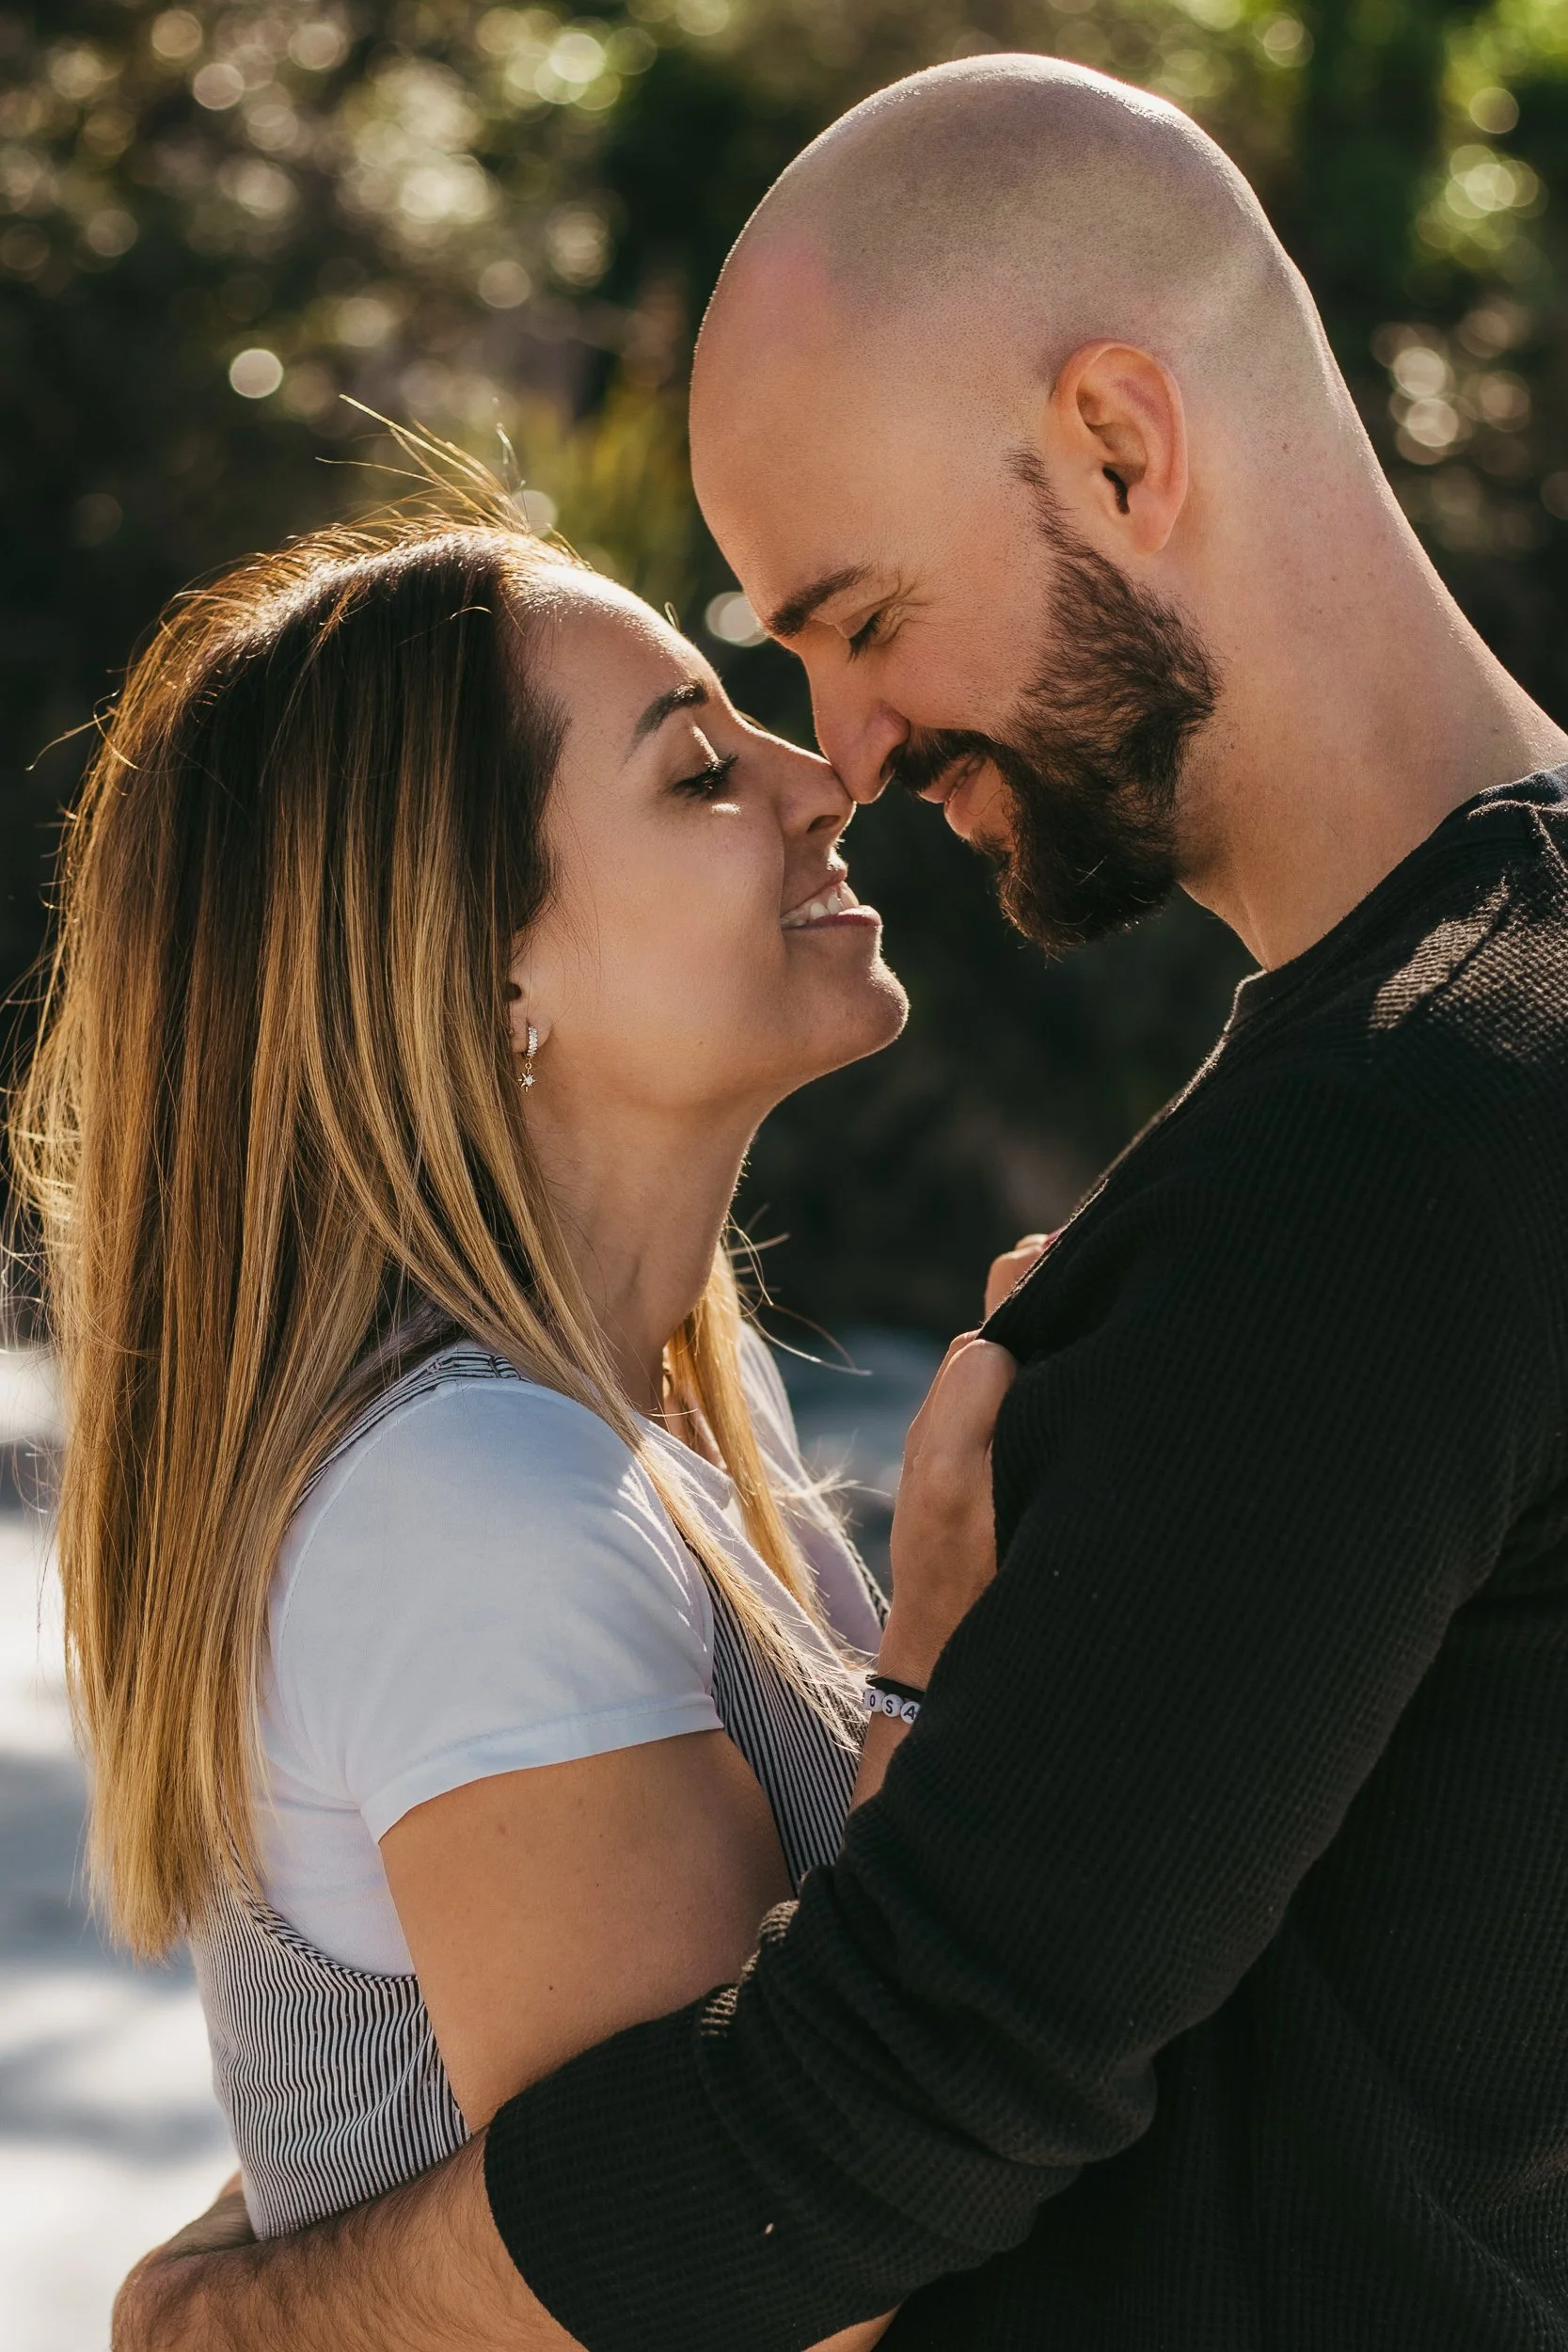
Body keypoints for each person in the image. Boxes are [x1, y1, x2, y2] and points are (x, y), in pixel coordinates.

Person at [116, 54, 1568, 2352]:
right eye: (736, 712)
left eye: (859, 617)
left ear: (1121, 439)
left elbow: (865, 2115)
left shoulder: (1394, 1146)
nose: (847, 756)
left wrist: (235, 2316)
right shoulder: (1428, 1073)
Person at [16, 478, 1006, 2352]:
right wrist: (939, 1641)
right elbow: (770, 2279)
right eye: (695, 774)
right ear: (486, 968)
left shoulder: (649, 1451)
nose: (818, 781)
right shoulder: (478, 1504)